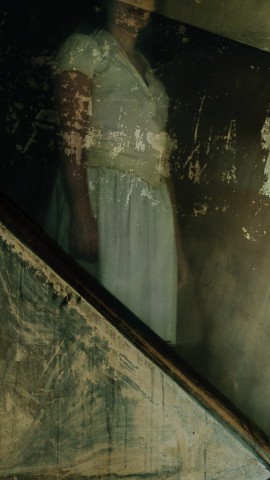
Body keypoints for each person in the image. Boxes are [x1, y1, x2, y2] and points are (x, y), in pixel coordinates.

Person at [46, 0, 187, 344]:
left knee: (140, 334)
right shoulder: (85, 48)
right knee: (92, 329)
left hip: (150, 213)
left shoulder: (151, 74)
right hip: (104, 201)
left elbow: (162, 164)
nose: (138, 3)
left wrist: (177, 249)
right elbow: (71, 137)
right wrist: (81, 212)